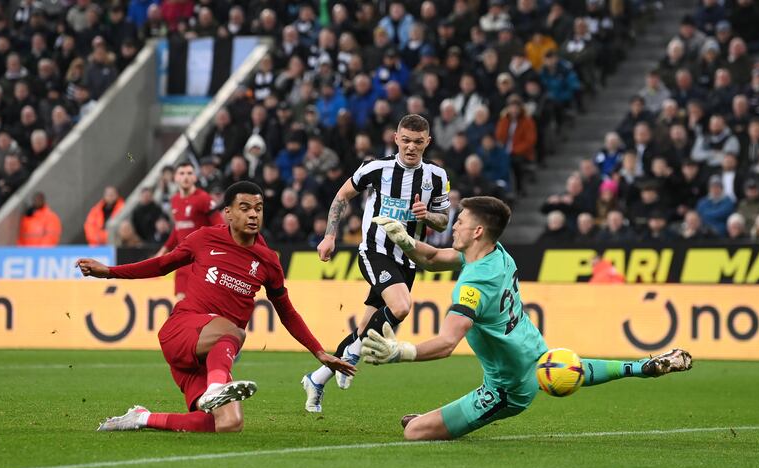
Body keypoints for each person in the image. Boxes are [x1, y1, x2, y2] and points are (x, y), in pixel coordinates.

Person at [362, 197, 692, 440]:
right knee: (569, 368)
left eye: (459, 221)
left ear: (477, 231)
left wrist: (400, 352)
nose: (454, 224)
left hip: (506, 388)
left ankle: (437, 421)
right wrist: (405, 242)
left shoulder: (473, 286)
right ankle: (641, 367)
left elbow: (448, 343)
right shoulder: (496, 252)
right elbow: (432, 257)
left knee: (415, 432)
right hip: (537, 354)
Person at [78, 182, 354, 433]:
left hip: (212, 356)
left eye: (258, 208)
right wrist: (110, 272)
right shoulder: (204, 238)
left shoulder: (269, 261)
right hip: (182, 331)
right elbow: (162, 265)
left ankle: (140, 418)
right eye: (244, 208)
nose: (253, 215)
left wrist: (318, 351)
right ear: (228, 213)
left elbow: (287, 313)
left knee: (227, 423)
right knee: (234, 332)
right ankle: (215, 388)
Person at [303, 114, 450, 412]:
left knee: (366, 326)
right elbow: (341, 196)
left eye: (418, 142)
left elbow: (444, 218)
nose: (411, 147)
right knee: (400, 307)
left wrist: (427, 216)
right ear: (395, 138)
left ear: (428, 143)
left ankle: (317, 378)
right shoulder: (376, 168)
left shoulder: (437, 177)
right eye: (406, 140)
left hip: (408, 259)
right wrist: (330, 236)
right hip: (374, 250)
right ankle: (354, 353)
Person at [154, 162, 225, 298]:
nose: (186, 177)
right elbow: (178, 228)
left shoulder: (204, 199)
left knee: (201, 307)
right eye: (182, 173)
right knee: (181, 305)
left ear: (195, 178)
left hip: (201, 262)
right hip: (182, 261)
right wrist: (163, 250)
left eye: (189, 173)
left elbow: (220, 226)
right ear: (175, 178)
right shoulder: (174, 200)